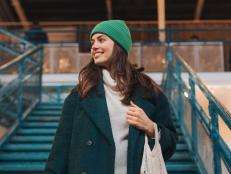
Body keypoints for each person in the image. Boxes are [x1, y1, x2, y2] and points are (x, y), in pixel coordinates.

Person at [45, 20, 177, 174]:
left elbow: (170, 145)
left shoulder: (149, 91)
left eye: (101, 40)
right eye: (92, 41)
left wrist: (151, 128)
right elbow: (59, 152)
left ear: (119, 45)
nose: (94, 46)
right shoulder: (80, 94)